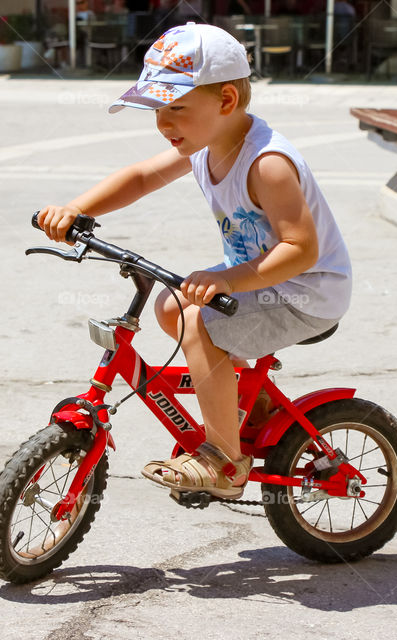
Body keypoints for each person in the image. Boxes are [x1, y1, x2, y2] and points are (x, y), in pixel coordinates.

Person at [37, 23, 352, 499]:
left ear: (226, 101)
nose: (164, 124)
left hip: (305, 292)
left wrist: (227, 278)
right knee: (170, 305)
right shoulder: (206, 145)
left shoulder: (266, 163)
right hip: (264, 283)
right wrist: (78, 209)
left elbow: (300, 249)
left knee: (197, 323)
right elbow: (142, 177)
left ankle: (224, 462)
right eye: (157, 110)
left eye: (176, 108)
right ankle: (251, 401)